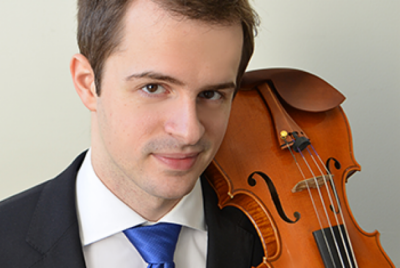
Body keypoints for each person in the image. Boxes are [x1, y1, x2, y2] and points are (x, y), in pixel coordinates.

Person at [0, 0, 263, 267]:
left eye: (211, 94)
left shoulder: (283, 236)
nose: (189, 132)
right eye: (153, 88)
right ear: (88, 84)